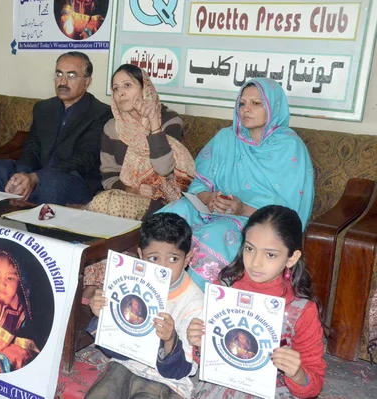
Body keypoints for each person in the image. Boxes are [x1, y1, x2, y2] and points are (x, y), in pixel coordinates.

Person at [158, 77, 314, 291]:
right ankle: (150, 284)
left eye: (256, 103)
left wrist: (242, 209)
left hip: (252, 220)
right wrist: (209, 198)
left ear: (273, 106)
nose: (246, 109)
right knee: (173, 214)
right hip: (211, 210)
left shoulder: (289, 148)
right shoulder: (226, 138)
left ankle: (186, 299)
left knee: (218, 232)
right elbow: (199, 185)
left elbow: (290, 215)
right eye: (242, 103)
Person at [186, 205, 326, 398]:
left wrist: (297, 373)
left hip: (272, 389)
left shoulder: (302, 310)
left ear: (291, 258)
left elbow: (314, 384)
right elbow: (207, 361)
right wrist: (200, 344)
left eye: (270, 254)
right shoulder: (224, 289)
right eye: (250, 249)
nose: (256, 262)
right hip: (222, 384)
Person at [87, 213, 204, 399]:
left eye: (173, 259)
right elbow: (112, 350)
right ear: (140, 255)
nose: (163, 268)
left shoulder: (195, 302)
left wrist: (170, 339)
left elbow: (179, 371)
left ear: (187, 258)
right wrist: (102, 316)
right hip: (124, 366)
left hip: (168, 383)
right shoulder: (129, 284)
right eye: (153, 259)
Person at [0, 51, 112, 205]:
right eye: (59, 74)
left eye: (71, 76)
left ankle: (39, 229)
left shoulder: (100, 113)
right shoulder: (43, 108)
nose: (63, 82)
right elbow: (32, 146)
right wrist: (22, 176)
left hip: (73, 181)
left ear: (87, 81)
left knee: (52, 182)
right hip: (37, 174)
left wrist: (35, 177)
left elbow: (83, 159)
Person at [89, 64, 195, 220]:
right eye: (116, 88)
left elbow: (164, 168)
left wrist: (153, 121)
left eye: (127, 85)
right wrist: (132, 189)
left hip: (164, 200)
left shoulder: (169, 120)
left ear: (144, 88)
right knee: (101, 203)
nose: (121, 93)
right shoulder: (112, 127)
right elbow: (108, 176)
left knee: (108, 206)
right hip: (127, 194)